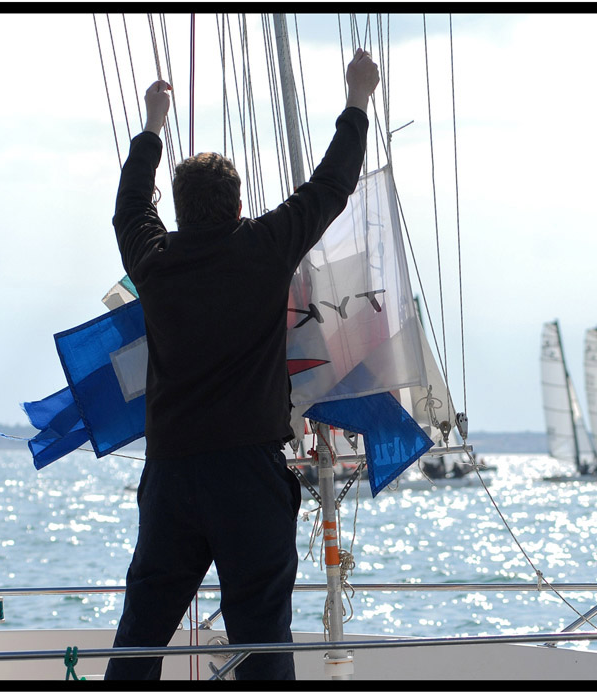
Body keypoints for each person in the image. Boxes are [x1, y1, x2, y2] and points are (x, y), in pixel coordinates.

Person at [104, 49, 380, 681]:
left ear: (178, 209)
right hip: (246, 477)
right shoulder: (262, 248)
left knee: (142, 634)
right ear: (236, 207)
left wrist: (152, 125)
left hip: (171, 475)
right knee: (260, 639)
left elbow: (128, 207)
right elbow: (331, 187)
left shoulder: (155, 262)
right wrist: (357, 99)